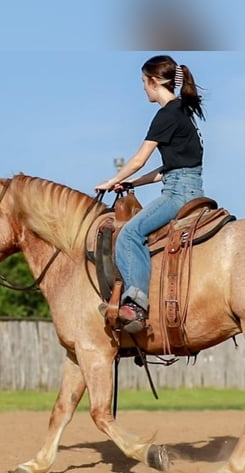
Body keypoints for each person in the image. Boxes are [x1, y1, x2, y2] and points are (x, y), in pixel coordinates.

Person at [96, 54, 206, 334]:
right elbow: (169, 168)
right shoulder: (182, 112)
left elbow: (139, 159)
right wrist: (131, 184)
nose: (143, 88)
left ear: (154, 81)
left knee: (130, 235)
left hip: (177, 193)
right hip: (189, 186)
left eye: (144, 82)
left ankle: (136, 306)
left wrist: (112, 180)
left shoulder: (165, 114)